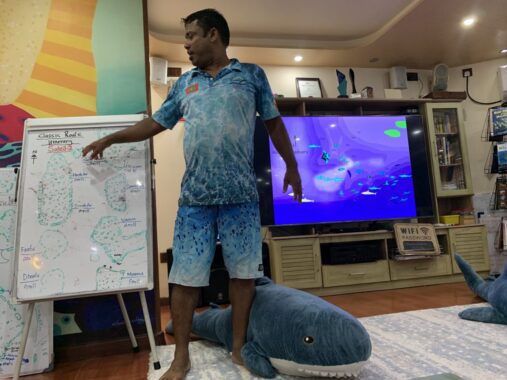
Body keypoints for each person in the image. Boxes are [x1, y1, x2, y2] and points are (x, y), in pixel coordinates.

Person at [82, 8, 302, 380]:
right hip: (195, 201)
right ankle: (180, 357)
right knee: (184, 278)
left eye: (190, 36)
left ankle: (238, 347)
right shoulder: (185, 84)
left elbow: (274, 123)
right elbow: (155, 122)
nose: (185, 45)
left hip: (242, 198)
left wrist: (293, 167)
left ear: (213, 35)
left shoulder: (250, 76)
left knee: (244, 275)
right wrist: (112, 137)